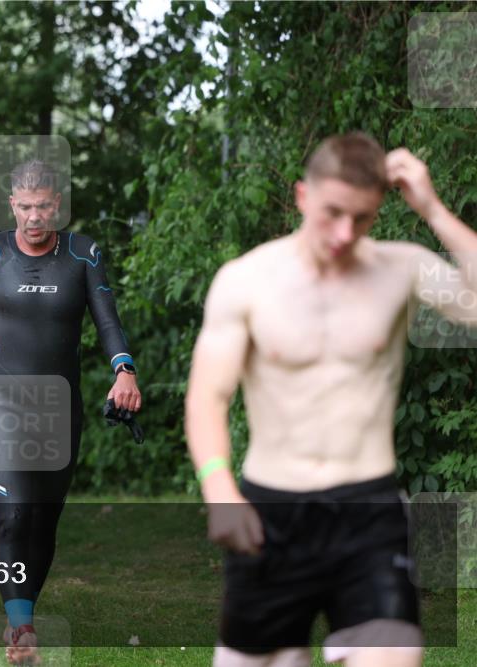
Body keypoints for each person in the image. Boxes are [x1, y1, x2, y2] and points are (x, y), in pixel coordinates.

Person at [185, 133, 477, 667]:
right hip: (272, 514)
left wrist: (432, 208)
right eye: (333, 213)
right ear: (303, 196)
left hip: (368, 511)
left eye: (362, 218)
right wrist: (219, 487)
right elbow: (209, 395)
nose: (345, 233)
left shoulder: (400, 269)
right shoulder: (246, 281)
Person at [0, 160, 142, 664]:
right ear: (12, 205)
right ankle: (23, 630)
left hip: (59, 407)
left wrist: (123, 369)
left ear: (57, 204)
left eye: (43, 207)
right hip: (2, 404)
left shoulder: (82, 254)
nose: (34, 217)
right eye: (25, 207)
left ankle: (23, 612)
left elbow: (107, 320)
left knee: (42, 520)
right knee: (13, 515)